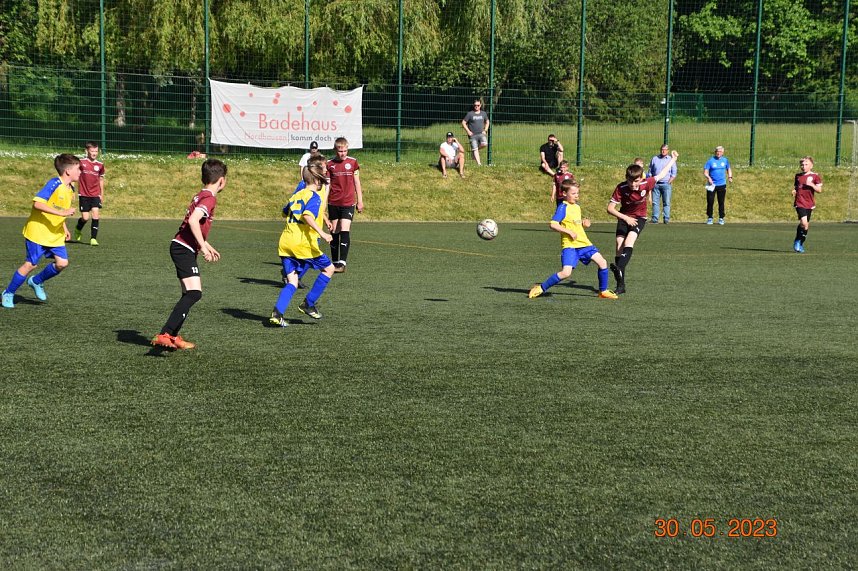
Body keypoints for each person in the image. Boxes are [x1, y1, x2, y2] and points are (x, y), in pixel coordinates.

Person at [151, 159, 228, 350]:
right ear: (222, 181)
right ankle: (166, 333)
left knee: (189, 293)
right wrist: (202, 247)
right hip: (183, 248)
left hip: (181, 246)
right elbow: (193, 221)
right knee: (194, 293)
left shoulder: (200, 195)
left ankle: (173, 336)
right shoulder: (209, 198)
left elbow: (193, 226)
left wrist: (206, 245)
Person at [1, 154, 79, 309]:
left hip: (54, 233)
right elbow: (37, 204)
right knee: (30, 264)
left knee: (62, 263)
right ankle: (8, 293)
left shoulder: (71, 188)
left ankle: (36, 281)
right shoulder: (54, 183)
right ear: (68, 171)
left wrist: (63, 227)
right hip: (38, 232)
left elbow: (59, 207)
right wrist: (62, 214)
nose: (81, 172)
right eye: (78, 169)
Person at [269, 162, 336, 327]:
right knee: (329, 268)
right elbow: (307, 216)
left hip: (286, 243)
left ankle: (277, 314)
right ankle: (308, 303)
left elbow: (285, 211)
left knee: (292, 281)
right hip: (302, 244)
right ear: (317, 180)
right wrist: (323, 234)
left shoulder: (296, 195)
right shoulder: (314, 197)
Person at [529, 179, 618, 300]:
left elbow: (574, 223)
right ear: (565, 194)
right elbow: (553, 224)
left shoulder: (577, 207)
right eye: (573, 193)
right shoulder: (562, 207)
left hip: (584, 244)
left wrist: (584, 223)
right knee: (566, 273)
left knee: (602, 262)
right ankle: (540, 288)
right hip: (570, 246)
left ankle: (603, 291)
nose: (577, 196)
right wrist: (569, 232)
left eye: (577, 193)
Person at [607, 150, 679, 294]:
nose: (633, 184)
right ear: (626, 178)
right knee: (619, 246)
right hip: (624, 217)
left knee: (629, 242)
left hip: (639, 218)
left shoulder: (648, 183)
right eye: (630, 181)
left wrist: (673, 159)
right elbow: (609, 208)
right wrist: (625, 217)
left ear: (641, 178)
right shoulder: (621, 188)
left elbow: (663, 173)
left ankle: (618, 269)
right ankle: (621, 285)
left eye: (636, 181)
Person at [326, 136, 364, 273]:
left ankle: (342, 263)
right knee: (334, 230)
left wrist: (360, 200)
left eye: (345, 151)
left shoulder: (353, 162)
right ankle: (334, 261)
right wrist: (323, 204)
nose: (342, 154)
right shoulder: (329, 164)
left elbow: (357, 182)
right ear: (335, 150)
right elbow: (327, 185)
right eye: (340, 151)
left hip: (348, 202)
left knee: (344, 228)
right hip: (333, 202)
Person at [73, 141, 106, 245]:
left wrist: (102, 194)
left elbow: (101, 180)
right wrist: (72, 190)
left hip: (95, 194)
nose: (94, 153)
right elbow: (74, 175)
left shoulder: (100, 165)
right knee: (85, 217)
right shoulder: (81, 163)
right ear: (86, 151)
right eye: (92, 151)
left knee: (96, 214)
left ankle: (93, 238)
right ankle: (78, 229)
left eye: (96, 151)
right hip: (83, 194)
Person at [792, 156, 823, 253]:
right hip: (799, 202)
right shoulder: (798, 176)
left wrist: (812, 185)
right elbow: (797, 187)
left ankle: (801, 242)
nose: (803, 166)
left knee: (805, 226)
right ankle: (797, 241)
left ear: (811, 165)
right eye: (802, 164)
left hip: (809, 203)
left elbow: (819, 190)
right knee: (804, 222)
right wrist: (794, 191)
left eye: (806, 164)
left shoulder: (815, 176)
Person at [703, 145, 733, 225]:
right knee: (710, 201)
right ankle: (710, 217)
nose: (718, 153)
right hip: (711, 185)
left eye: (720, 152)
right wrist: (708, 177)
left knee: (721, 202)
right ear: (715, 152)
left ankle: (721, 218)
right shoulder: (710, 161)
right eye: (717, 151)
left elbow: (728, 169)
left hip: (722, 184)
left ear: (722, 153)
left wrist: (730, 176)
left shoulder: (725, 160)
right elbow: (705, 172)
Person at [649, 144, 676, 224]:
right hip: (656, 184)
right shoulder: (655, 159)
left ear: (668, 151)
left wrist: (669, 181)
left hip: (666, 184)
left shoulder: (671, 160)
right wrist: (651, 181)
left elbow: (674, 172)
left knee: (666, 202)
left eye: (665, 149)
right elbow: (650, 171)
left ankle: (666, 218)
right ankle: (655, 218)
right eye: (662, 149)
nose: (663, 151)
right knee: (655, 202)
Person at [461, 99, 489, 166]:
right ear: (473, 105)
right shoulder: (470, 114)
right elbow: (463, 122)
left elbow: (487, 122)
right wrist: (468, 131)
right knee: (475, 149)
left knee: (485, 144)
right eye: (475, 105)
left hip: (481, 133)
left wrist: (485, 130)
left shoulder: (483, 113)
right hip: (472, 135)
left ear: (480, 105)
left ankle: (474, 150)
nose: (476, 106)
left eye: (478, 105)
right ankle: (479, 164)